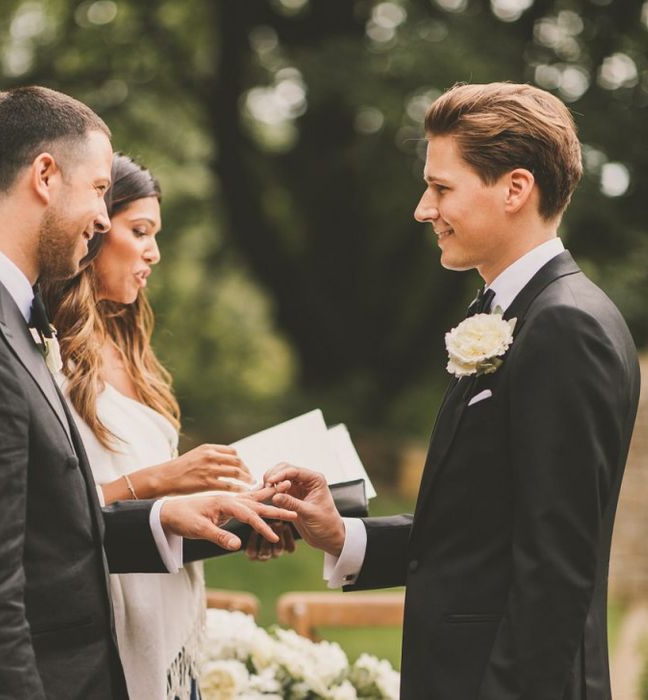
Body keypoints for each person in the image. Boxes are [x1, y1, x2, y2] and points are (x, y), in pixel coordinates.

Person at [0, 86, 295, 700]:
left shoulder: (1, 316)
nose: (103, 218)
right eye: (99, 189)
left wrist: (164, 519)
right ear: (45, 175)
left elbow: (41, 535)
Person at [264, 82, 640, 700]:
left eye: (441, 188)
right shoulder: (519, 314)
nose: (422, 208)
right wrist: (343, 534)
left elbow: (556, 568)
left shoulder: (565, 326)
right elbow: (483, 531)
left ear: (516, 188)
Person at [42, 153, 266, 699]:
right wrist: (163, 480)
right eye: (139, 231)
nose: (154, 253)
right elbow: (50, 509)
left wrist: (237, 515)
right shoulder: (44, 352)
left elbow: (158, 504)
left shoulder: (126, 344)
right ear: (94, 225)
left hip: (170, 616)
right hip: (95, 624)